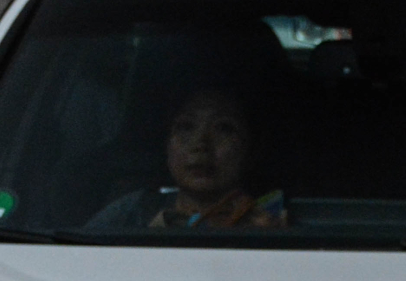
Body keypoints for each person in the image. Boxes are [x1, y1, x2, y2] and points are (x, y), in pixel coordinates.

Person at [86, 86, 287, 230]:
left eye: (223, 128)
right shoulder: (131, 213)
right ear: (166, 144)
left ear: (250, 147)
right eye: (186, 127)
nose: (201, 144)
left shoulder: (275, 222)